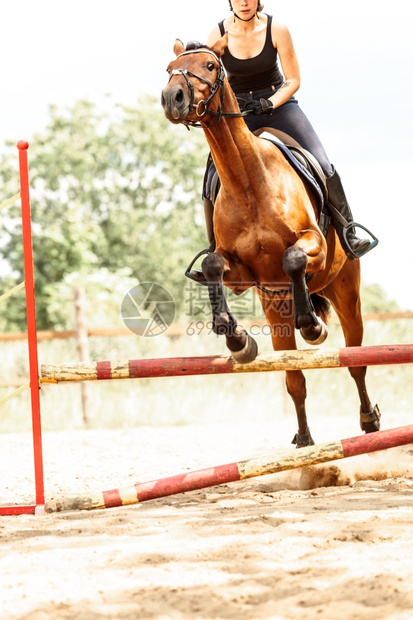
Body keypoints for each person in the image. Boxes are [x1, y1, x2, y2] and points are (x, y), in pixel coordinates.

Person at [187, 0, 377, 283]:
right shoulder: (216, 35)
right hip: (237, 112)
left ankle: (349, 231)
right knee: (212, 175)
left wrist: (270, 102)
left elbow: (293, 79)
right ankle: (214, 249)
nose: (244, 2)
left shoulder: (277, 28)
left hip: (279, 106)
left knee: (322, 161)